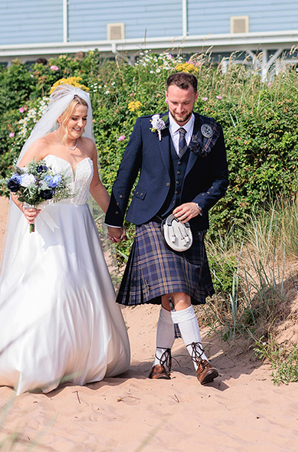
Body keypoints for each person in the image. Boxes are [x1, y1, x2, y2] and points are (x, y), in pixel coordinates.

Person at [0, 84, 131, 394]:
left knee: (83, 291)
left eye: (84, 118)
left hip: (80, 227)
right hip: (49, 228)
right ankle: (39, 361)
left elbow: (96, 187)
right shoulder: (42, 145)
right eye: (74, 118)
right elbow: (16, 186)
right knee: (53, 288)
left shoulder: (89, 147)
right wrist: (26, 207)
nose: (80, 124)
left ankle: (77, 360)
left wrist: (116, 220)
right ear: (60, 116)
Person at [106, 71, 228, 385]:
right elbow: (125, 175)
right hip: (150, 217)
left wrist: (199, 203)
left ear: (195, 98)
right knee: (178, 290)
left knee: (172, 295)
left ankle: (161, 361)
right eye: (174, 102)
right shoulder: (146, 127)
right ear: (166, 97)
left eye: (186, 103)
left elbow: (220, 180)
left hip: (187, 224)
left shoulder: (210, 130)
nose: (179, 108)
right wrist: (115, 220)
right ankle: (200, 360)